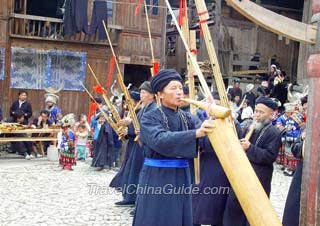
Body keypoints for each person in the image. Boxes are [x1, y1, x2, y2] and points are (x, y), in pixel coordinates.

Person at [132, 69, 215, 226]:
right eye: (173, 88)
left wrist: (214, 119)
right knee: (157, 217)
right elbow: (160, 140)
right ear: (160, 94)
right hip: (157, 176)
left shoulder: (189, 117)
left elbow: (205, 142)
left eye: (180, 88)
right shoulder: (150, 116)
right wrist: (196, 133)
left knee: (179, 216)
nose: (179, 92)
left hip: (182, 175)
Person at [223, 96, 282, 226]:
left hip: (259, 177)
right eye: (256, 111)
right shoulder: (249, 126)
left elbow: (269, 156)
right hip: (241, 174)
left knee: (254, 212)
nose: (257, 115)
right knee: (234, 208)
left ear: (272, 114)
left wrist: (250, 148)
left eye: (261, 112)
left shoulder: (274, 133)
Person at [192, 92, 242, 226]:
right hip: (206, 163)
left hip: (222, 166)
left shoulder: (233, 124)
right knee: (201, 200)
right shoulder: (206, 121)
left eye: (218, 105)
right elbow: (200, 142)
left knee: (216, 202)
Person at [113, 84, 157, 207]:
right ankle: (129, 197)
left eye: (144, 93)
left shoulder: (154, 109)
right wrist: (127, 129)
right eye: (141, 93)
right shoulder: (144, 108)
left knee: (138, 172)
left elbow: (144, 126)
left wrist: (130, 127)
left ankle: (138, 202)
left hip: (143, 145)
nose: (142, 95)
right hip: (136, 145)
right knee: (131, 170)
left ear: (152, 95)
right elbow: (136, 125)